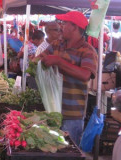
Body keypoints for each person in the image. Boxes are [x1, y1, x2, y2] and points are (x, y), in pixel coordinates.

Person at [40, 11, 98, 145]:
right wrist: (37, 61)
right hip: (51, 110)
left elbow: (85, 75)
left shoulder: (88, 51)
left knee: (69, 152)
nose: (61, 26)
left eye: (65, 23)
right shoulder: (57, 44)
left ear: (74, 27)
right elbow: (40, 58)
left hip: (72, 115)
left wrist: (59, 62)